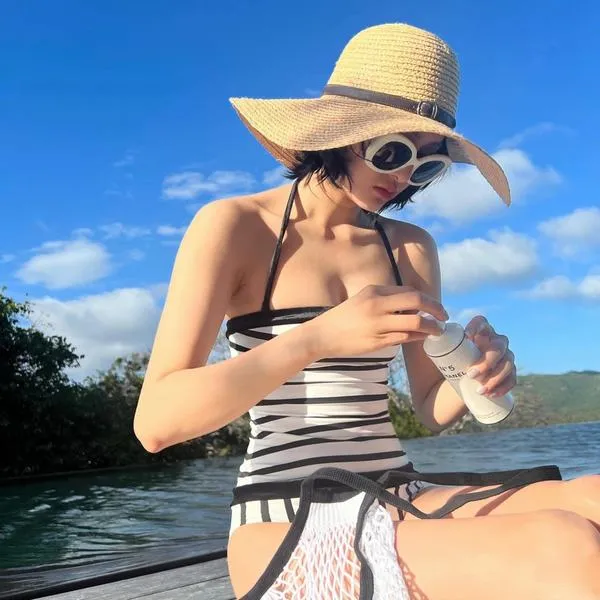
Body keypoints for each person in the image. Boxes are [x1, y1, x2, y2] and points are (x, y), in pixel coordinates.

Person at [133, 23, 600, 600]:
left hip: (399, 492)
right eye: (394, 152)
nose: (403, 178)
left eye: (426, 166)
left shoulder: (409, 248)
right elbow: (156, 424)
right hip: (285, 511)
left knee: (593, 499)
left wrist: (477, 375)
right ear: (341, 132)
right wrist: (316, 338)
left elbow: (430, 407)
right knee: (562, 545)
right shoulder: (236, 227)